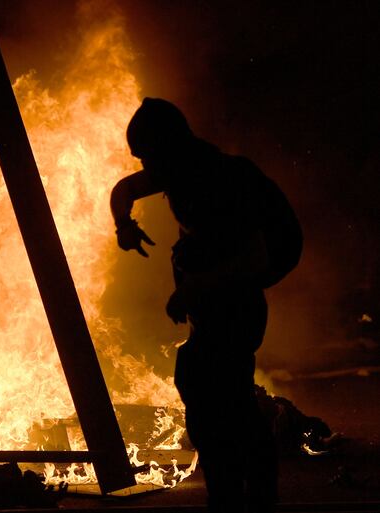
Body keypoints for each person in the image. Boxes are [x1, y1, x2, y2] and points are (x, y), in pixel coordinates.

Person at [111, 98, 301, 512]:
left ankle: (249, 497)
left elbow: (253, 258)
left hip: (236, 308)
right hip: (212, 307)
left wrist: (192, 290)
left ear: (168, 146)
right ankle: (232, 496)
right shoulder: (180, 169)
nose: (145, 166)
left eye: (147, 156)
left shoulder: (219, 182)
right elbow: (124, 189)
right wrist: (124, 224)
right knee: (207, 394)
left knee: (226, 404)